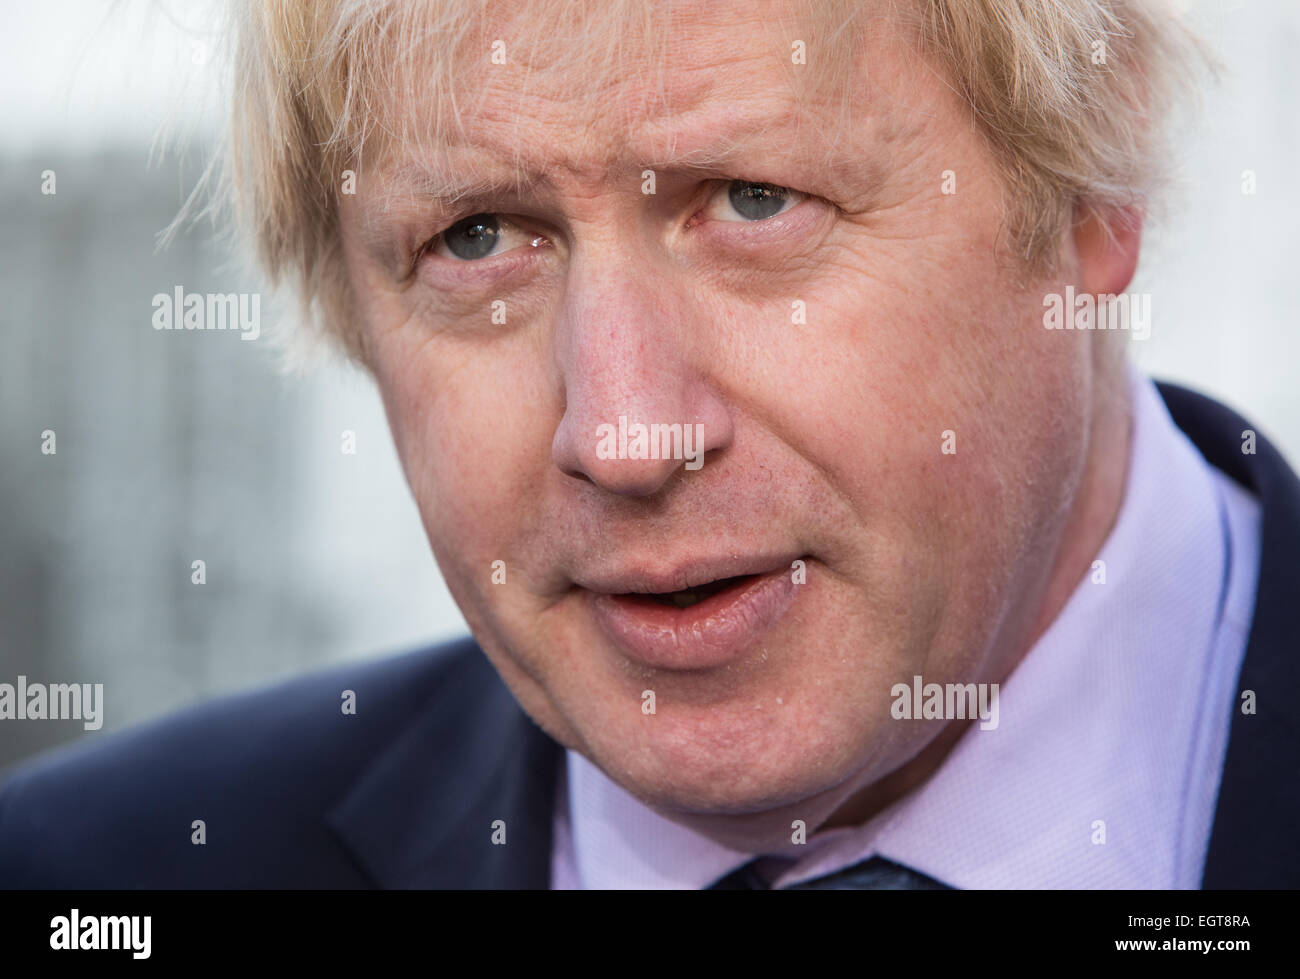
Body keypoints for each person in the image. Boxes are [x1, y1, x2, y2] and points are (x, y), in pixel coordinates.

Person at [2, 0, 1296, 889]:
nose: (624, 434)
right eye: (477, 239)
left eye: (753, 201)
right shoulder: (90, 871)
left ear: (1091, 189)